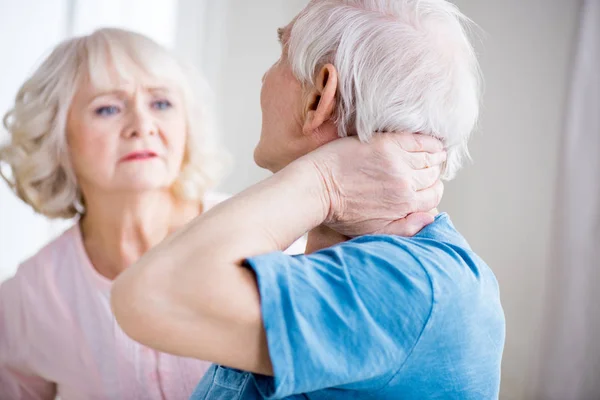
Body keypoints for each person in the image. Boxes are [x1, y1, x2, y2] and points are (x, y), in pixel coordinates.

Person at [111, 0, 505, 399]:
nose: (265, 77)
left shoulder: (415, 288)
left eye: (280, 56)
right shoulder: (366, 274)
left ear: (319, 98)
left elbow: (150, 295)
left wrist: (325, 181)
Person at [0, 27, 230, 399]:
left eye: (161, 104)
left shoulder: (257, 235)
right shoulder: (29, 297)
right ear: (57, 137)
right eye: (108, 108)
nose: (142, 126)